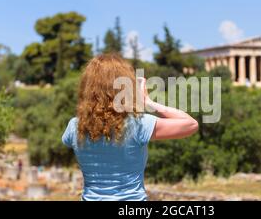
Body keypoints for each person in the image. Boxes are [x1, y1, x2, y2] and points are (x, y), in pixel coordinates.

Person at [61, 54, 198, 201]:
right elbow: (190, 124)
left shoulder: (74, 126)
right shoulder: (138, 124)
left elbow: (67, 140)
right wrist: (148, 102)